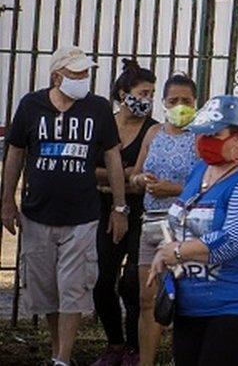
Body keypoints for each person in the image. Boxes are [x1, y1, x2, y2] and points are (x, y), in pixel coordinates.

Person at [1, 46, 129, 366]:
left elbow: (113, 156)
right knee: (47, 292)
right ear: (57, 76)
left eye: (86, 73)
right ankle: (58, 352)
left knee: (73, 289)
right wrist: (6, 202)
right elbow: (15, 153)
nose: (83, 79)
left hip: (82, 216)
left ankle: (63, 359)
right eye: (76, 74)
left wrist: (119, 207)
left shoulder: (97, 109)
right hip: (37, 213)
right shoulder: (31, 106)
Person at [150, 95, 238, 366]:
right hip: (192, 306)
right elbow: (182, 220)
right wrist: (165, 252)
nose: (204, 140)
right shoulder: (201, 170)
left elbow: (235, 240)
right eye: (202, 133)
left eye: (214, 133)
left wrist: (179, 252)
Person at [92, 60, 158, 366]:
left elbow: (142, 177)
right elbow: (88, 170)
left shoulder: (152, 129)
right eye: (143, 93)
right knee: (102, 279)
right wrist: (121, 176)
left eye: (152, 94)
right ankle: (114, 344)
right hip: (103, 211)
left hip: (139, 214)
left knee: (133, 281)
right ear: (123, 93)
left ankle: (134, 347)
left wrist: (115, 177)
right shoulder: (103, 123)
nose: (147, 100)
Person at [131, 74, 199, 366]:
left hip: (186, 227)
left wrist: (172, 189)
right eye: (174, 101)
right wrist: (140, 181)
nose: (180, 106)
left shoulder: (201, 138)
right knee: (148, 300)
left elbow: (208, 186)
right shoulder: (153, 133)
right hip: (151, 225)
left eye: (187, 101)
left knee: (186, 300)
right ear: (164, 103)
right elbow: (134, 175)